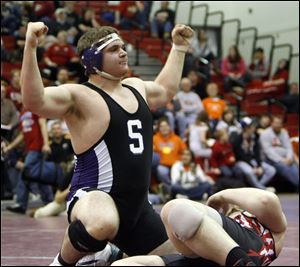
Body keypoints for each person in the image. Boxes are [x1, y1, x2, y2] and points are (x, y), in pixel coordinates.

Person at [20, 21, 194, 265]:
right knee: (103, 222)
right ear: (92, 60)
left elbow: (165, 90)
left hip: (138, 209)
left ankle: (113, 256)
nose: (123, 52)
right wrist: (30, 46)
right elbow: (34, 100)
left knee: (182, 258)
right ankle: (62, 262)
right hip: (93, 198)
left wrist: (178, 48)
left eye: (123, 47)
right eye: (113, 49)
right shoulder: (80, 96)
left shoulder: (136, 87)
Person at [111, 187, 287, 266]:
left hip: (243, 249)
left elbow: (266, 199)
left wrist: (220, 197)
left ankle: (239, 260)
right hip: (202, 257)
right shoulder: (209, 232)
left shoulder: (267, 227)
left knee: (174, 210)